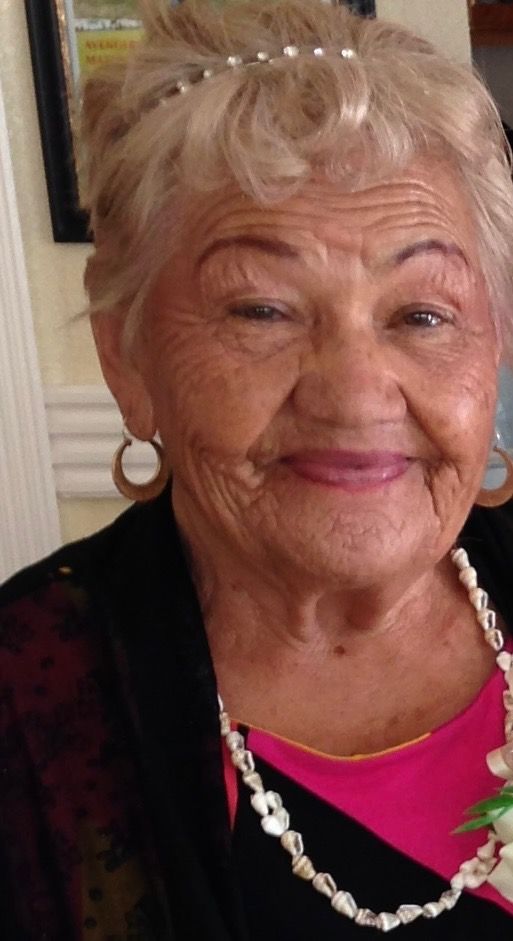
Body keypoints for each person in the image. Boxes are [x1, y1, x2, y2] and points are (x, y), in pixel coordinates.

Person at [3, 0, 513, 936]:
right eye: (262, 310)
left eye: (421, 314)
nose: (354, 395)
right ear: (127, 356)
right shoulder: (26, 702)